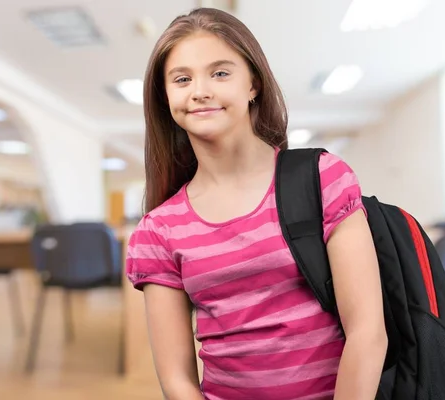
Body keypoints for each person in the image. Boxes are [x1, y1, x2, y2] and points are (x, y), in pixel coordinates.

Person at [126, 7, 387, 400]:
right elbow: (177, 379)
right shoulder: (159, 230)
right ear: (166, 99)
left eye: (220, 73)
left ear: (254, 85)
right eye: (182, 79)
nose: (200, 90)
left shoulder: (322, 179)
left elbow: (367, 332)